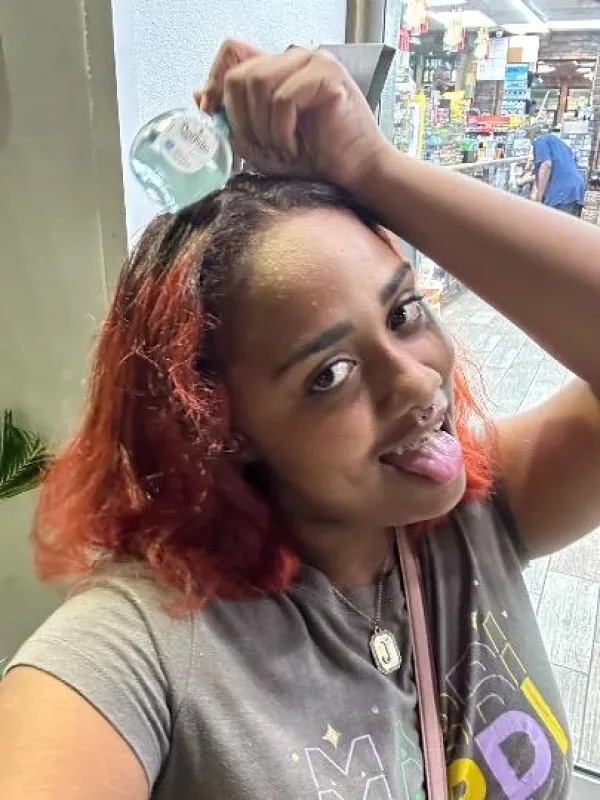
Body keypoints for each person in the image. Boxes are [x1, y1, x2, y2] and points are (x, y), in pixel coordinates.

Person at [1, 40, 600, 800]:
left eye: (403, 313)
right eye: (329, 374)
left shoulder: (479, 516)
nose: (418, 381)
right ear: (221, 424)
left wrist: (376, 170)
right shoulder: (144, 646)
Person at [531, 123, 586, 216]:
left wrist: (539, 198)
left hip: (561, 192)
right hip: (576, 188)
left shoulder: (541, 142)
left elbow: (546, 165)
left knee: (554, 223)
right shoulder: (561, 144)